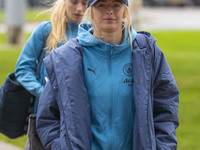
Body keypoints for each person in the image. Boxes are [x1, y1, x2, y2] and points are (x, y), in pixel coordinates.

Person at [36, 0, 179, 149]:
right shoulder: (66, 58)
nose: (109, 11)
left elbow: (166, 108)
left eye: (116, 5)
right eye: (101, 5)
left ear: (124, 11)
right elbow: (47, 117)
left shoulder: (147, 53)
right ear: (90, 11)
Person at [14, 0, 87, 149]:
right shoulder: (46, 30)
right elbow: (23, 68)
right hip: (44, 117)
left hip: (77, 117)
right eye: (74, 2)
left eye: (85, 3)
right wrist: (43, 93)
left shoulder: (92, 34)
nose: (80, 8)